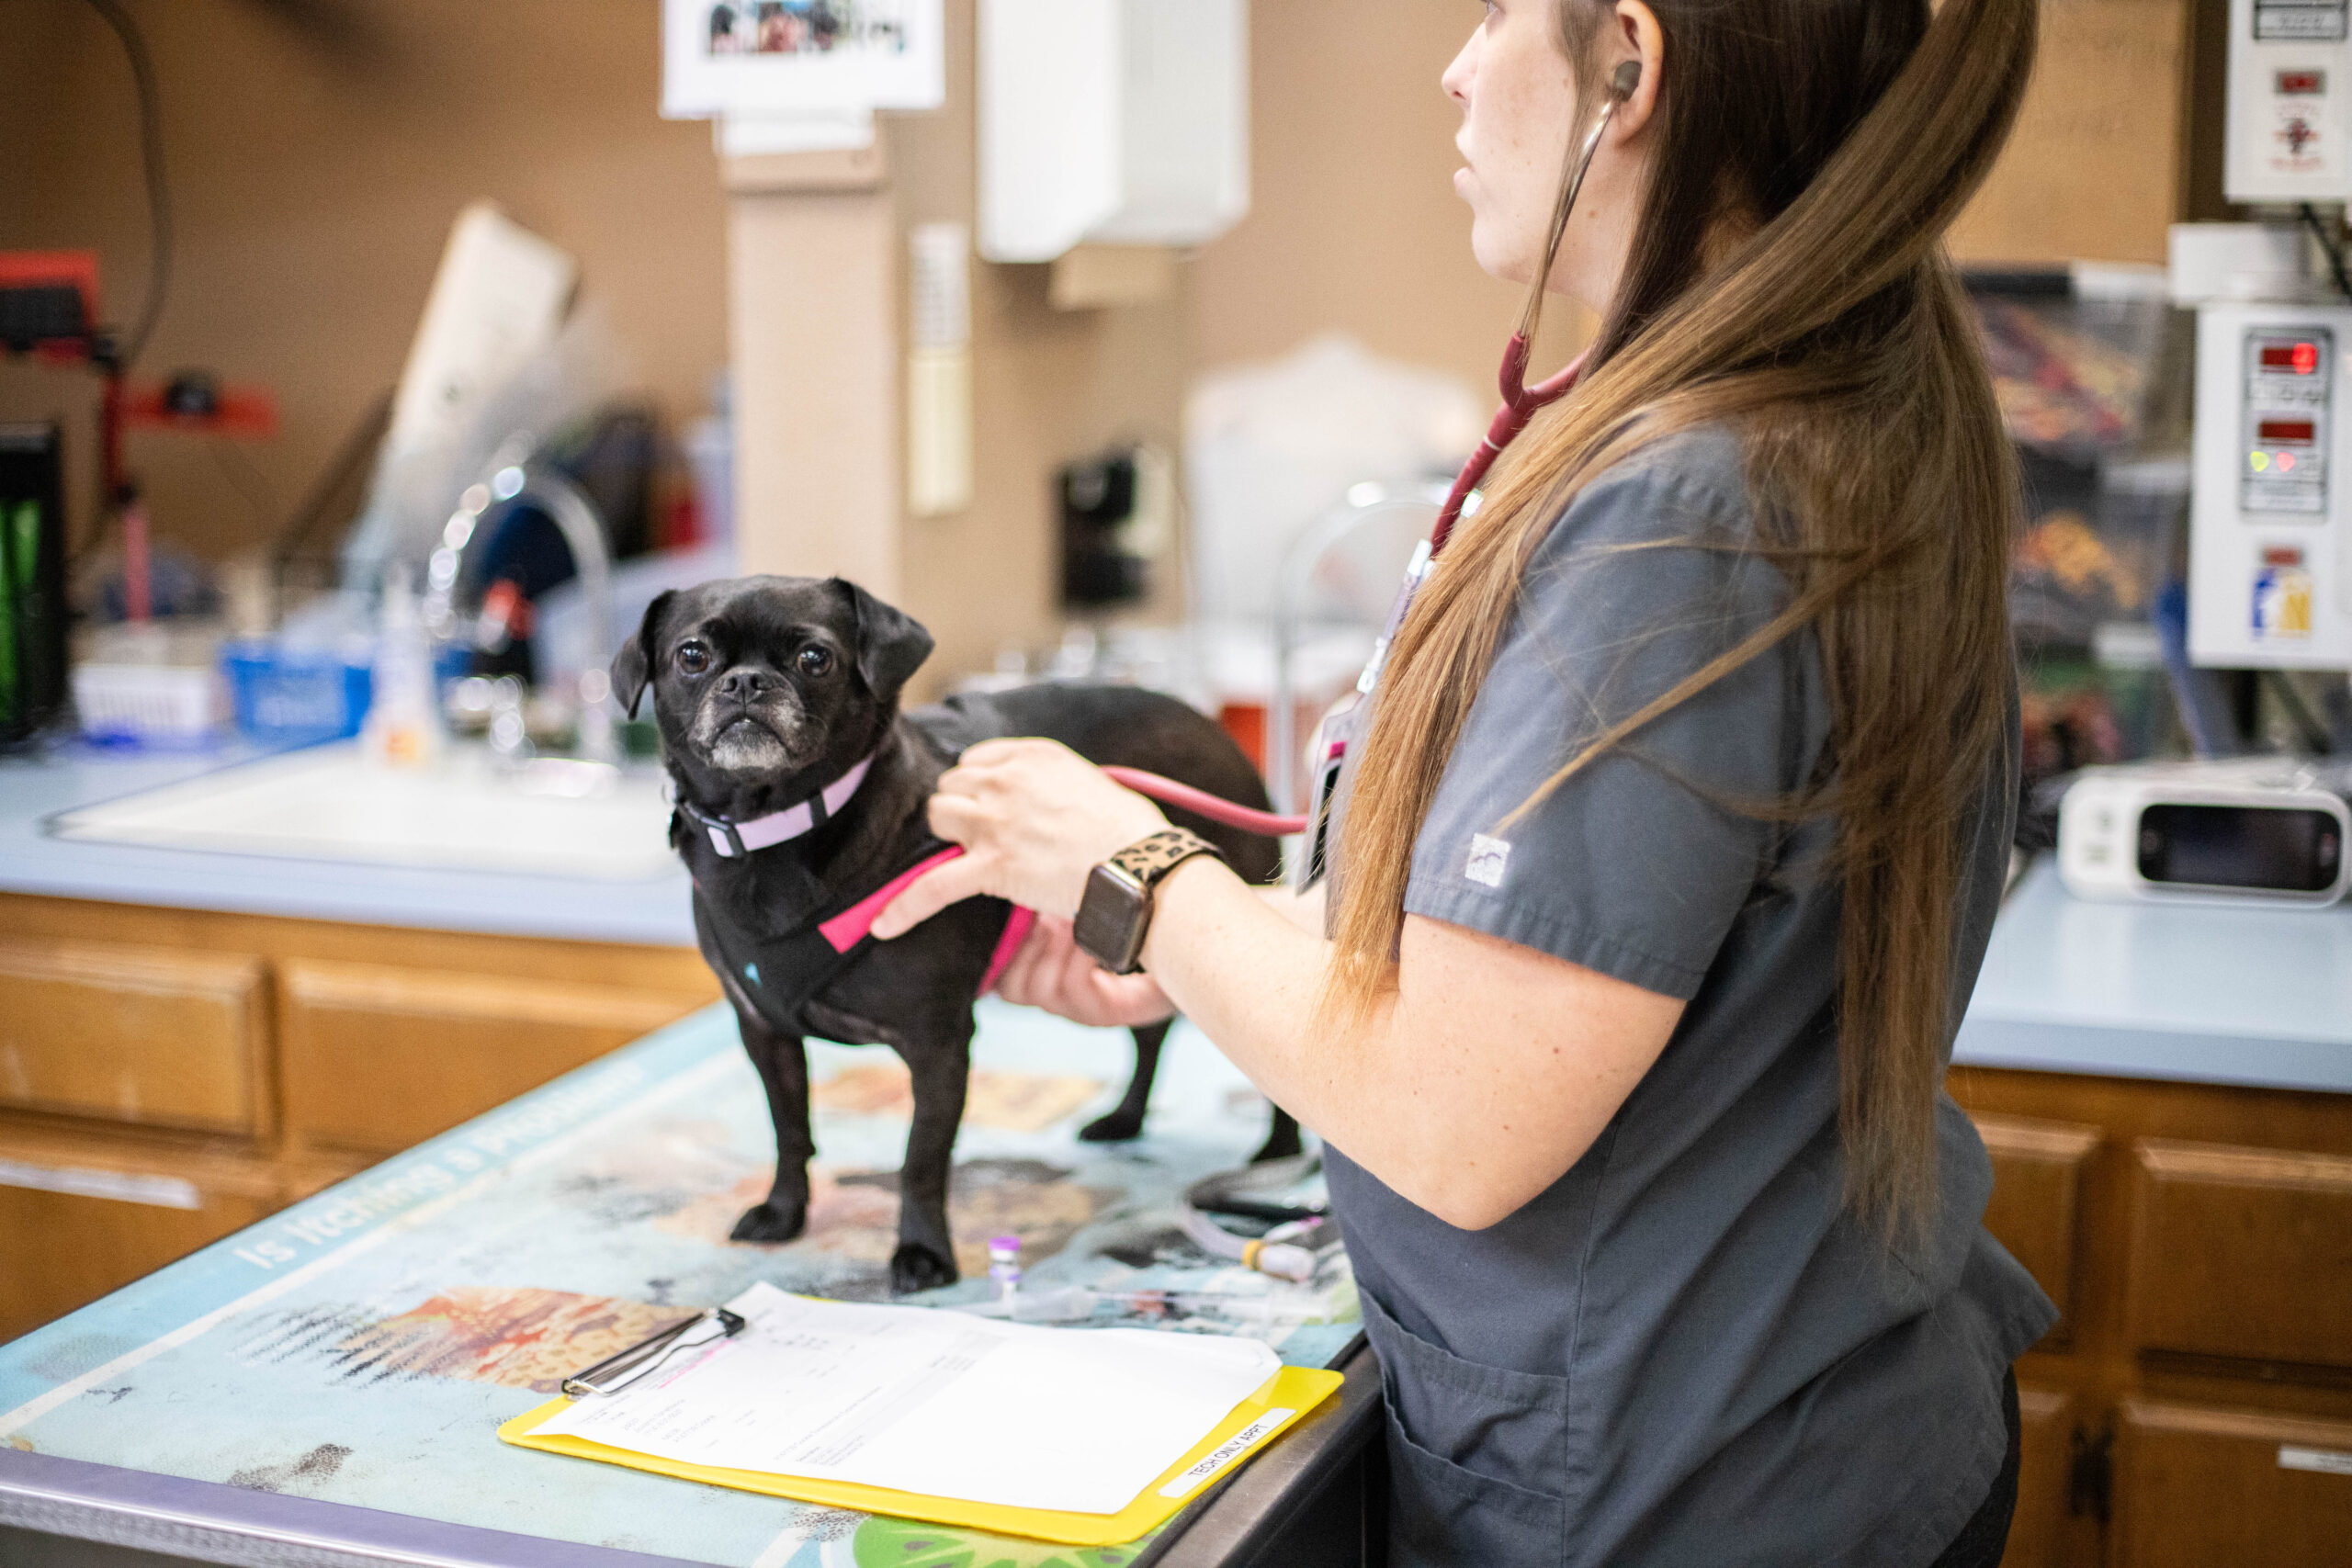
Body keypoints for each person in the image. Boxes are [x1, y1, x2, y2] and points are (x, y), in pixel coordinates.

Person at [873, 0, 2055, 1562]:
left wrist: (1137, 878)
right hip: (1810, 1411)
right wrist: (1232, 957)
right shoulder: (1828, 410)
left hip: (1691, 1492)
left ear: (1628, 65)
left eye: (1497, 11)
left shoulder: (1684, 525)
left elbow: (1457, 1118)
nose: (1457, 62)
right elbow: (1600, 960)